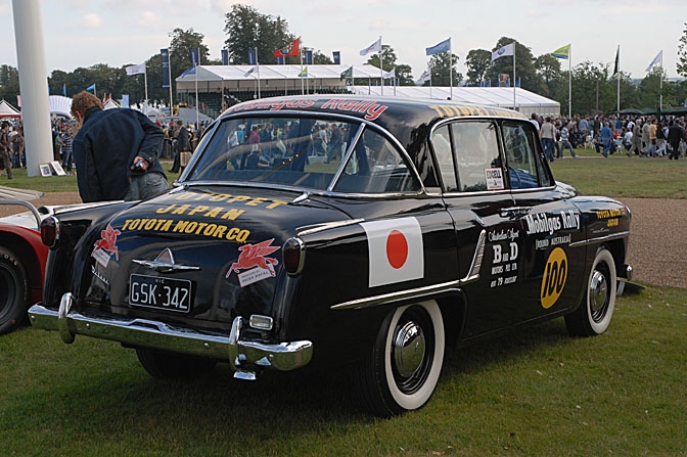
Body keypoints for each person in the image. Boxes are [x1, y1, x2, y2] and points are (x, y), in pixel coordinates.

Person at [70, 91, 168, 202]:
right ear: (100, 105)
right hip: (152, 177)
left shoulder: (82, 136)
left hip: (118, 190)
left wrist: (95, 208)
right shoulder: (130, 113)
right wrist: (145, 156)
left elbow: (88, 181)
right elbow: (156, 133)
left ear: (79, 114)